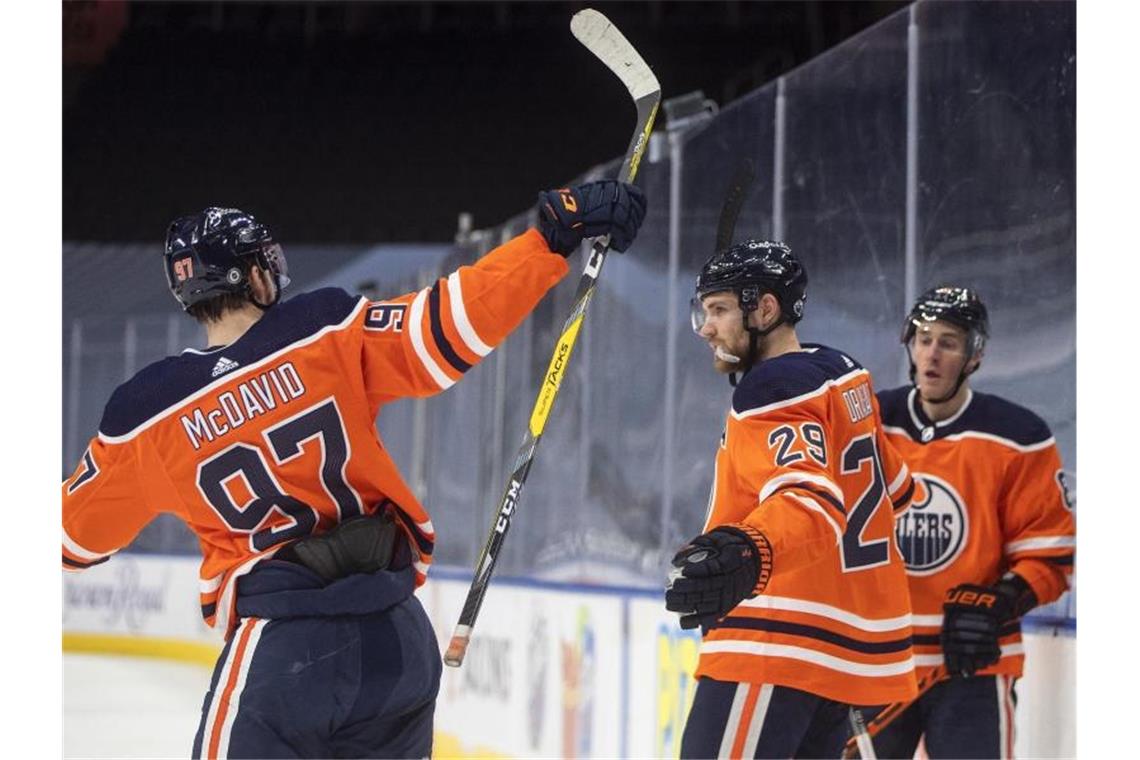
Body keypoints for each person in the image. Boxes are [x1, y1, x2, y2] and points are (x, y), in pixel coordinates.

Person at [61, 180, 646, 759]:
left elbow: (73, 542)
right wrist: (546, 241)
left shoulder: (146, 411)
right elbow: (447, 328)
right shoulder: (324, 327)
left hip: (284, 650)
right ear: (251, 274)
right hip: (396, 638)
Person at [664, 240, 918, 758]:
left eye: (718, 310)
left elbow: (808, 498)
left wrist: (748, 549)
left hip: (772, 642)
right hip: (835, 665)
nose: (706, 328)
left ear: (765, 310)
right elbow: (899, 489)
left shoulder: (770, 387)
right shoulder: (843, 372)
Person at [864, 286, 1075, 759]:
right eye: (922, 338)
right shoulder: (870, 423)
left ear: (974, 355)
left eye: (949, 342)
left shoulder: (1018, 437)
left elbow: (1051, 557)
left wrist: (999, 603)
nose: (931, 354)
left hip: (969, 666)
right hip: (876, 662)